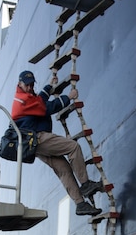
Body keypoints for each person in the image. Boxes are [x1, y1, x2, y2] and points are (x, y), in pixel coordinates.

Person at [12, 69, 103, 215]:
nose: (30, 87)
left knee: (64, 170)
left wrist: (48, 86)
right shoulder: (22, 100)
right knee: (73, 147)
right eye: (27, 85)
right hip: (38, 138)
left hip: (33, 145)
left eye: (31, 85)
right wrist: (68, 97)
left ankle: (80, 204)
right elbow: (46, 107)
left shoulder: (25, 96)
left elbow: (39, 101)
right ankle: (85, 184)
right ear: (20, 84)